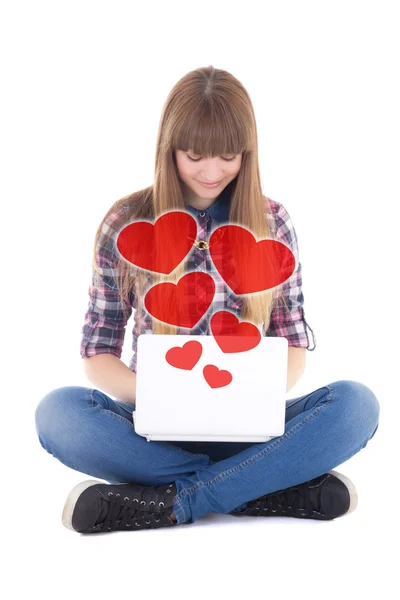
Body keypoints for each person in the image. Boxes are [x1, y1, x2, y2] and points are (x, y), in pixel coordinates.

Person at [34, 65, 380, 534]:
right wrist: (170, 398)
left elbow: (292, 341)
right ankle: (260, 488)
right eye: (195, 156)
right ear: (169, 149)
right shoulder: (126, 221)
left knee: (357, 406)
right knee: (59, 413)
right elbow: (98, 352)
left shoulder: (271, 222)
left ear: (247, 154)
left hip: (250, 426)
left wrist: (246, 397)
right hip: (153, 429)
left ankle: (177, 501)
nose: (212, 172)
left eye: (228, 157)